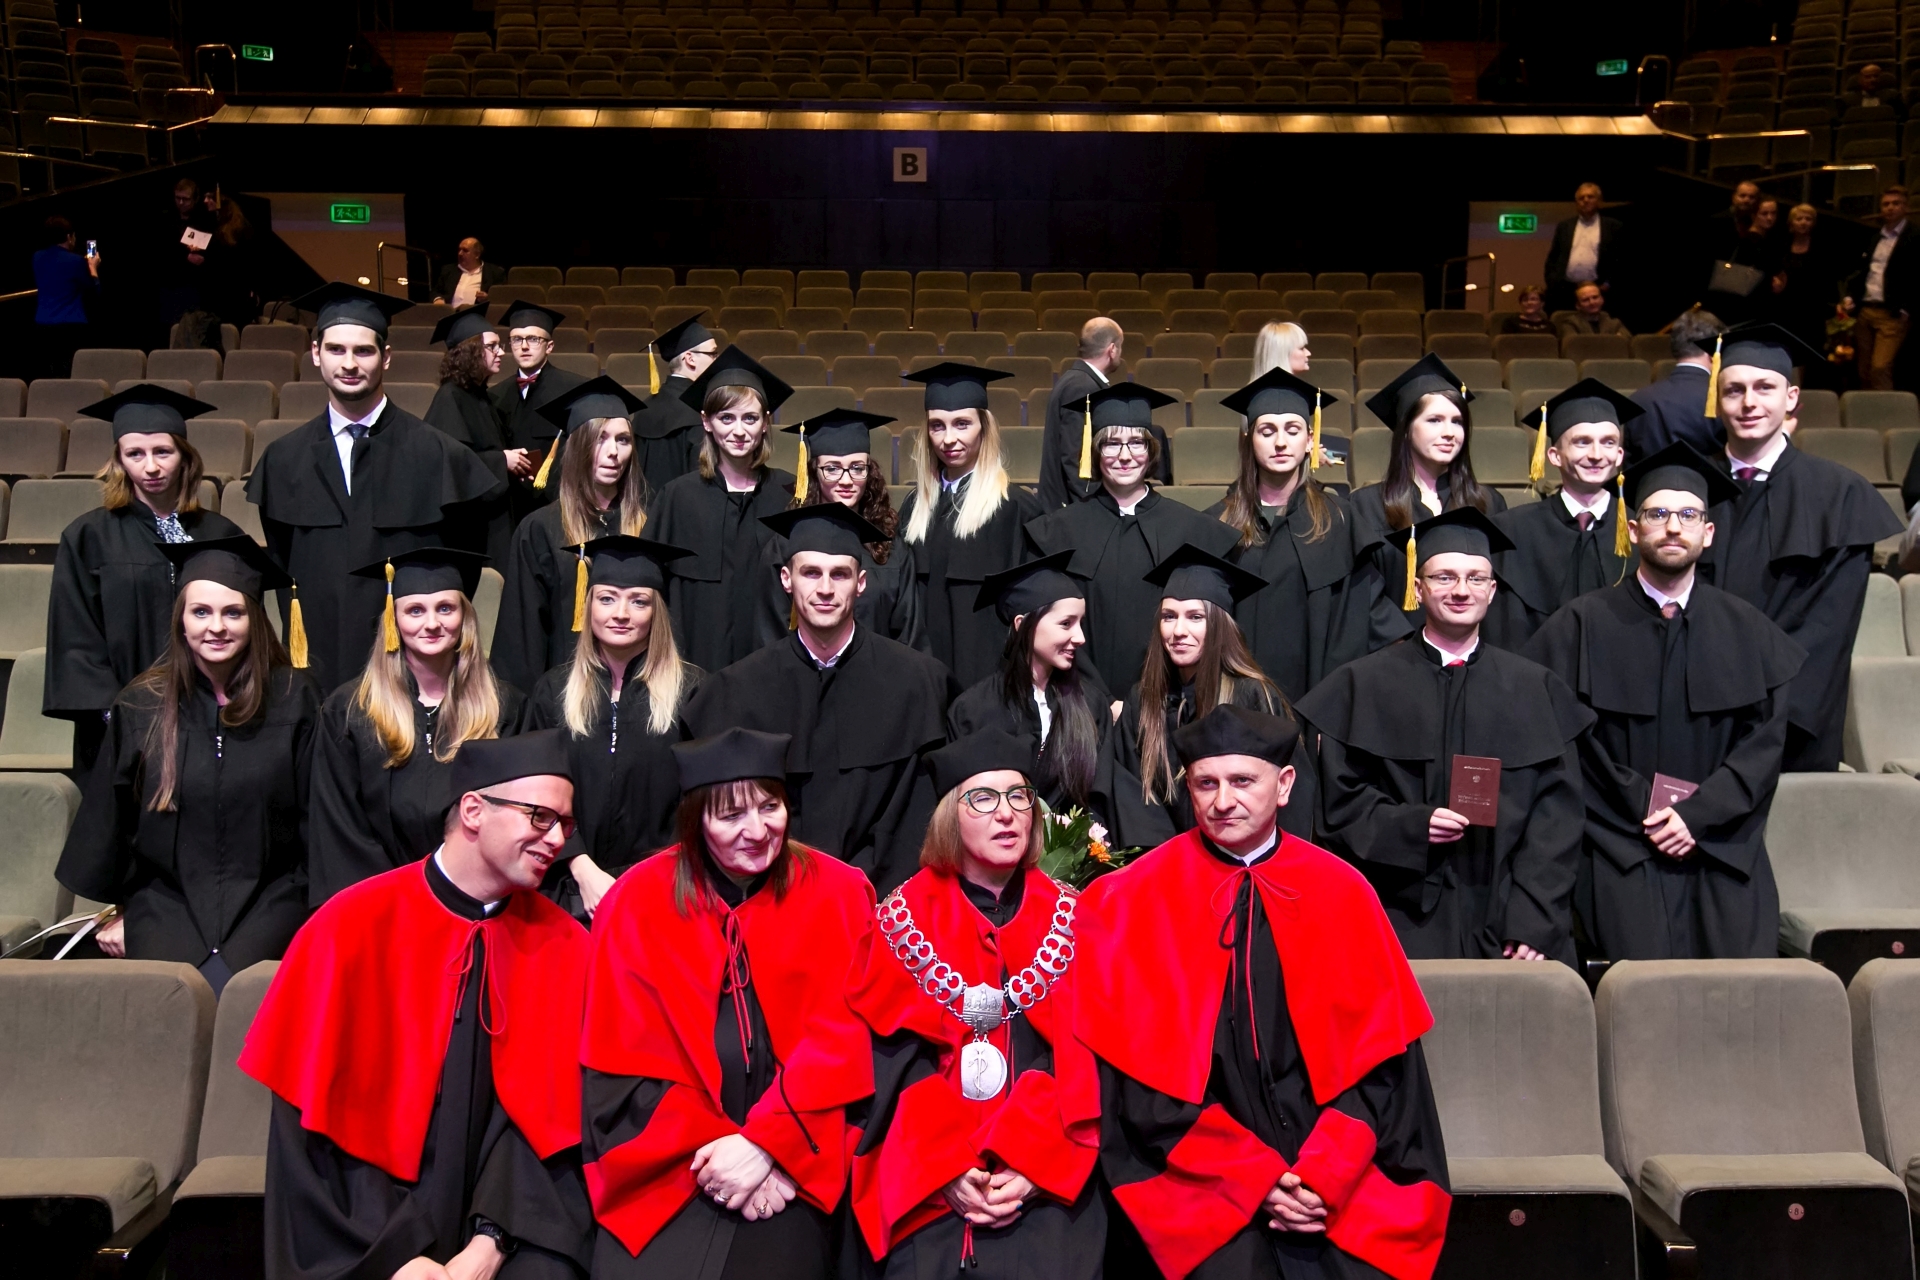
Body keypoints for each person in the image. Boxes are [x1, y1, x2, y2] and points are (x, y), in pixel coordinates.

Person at [1076, 703, 1451, 1280]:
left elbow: (1382, 1069)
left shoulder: (1342, 891)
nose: (1223, 801)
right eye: (1206, 783)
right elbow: (1142, 1088)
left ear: (1285, 784)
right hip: (1197, 1168)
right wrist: (1255, 1179)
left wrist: (1323, 1175)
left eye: (1242, 781)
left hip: (1332, 1161)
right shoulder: (1135, 899)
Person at [242, 731, 596, 1279]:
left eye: (565, 825)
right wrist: (399, 1258)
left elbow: (558, 1130)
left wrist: (490, 1244)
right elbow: (311, 1137)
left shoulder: (567, 947)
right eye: (540, 817)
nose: (557, 840)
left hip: (513, 1234)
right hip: (366, 1238)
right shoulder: (349, 928)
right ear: (473, 811)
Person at [580, 726, 875, 1280]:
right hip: (669, 1166)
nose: (757, 831)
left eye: (770, 807)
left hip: (802, 1159)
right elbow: (620, 1067)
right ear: (696, 821)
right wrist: (723, 1153)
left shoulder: (838, 893)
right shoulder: (636, 902)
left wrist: (768, 1147)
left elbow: (847, 1043)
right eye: (731, 814)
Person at [1527, 443, 1805, 961]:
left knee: (1741, 988)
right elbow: (1575, 747)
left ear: (1708, 532)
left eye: (1688, 515)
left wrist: (1698, 816)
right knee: (1638, 987)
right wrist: (1652, 811)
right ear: (1633, 530)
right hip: (1620, 846)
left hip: (1722, 846)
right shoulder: (1580, 625)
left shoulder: (1749, 630)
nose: (1673, 527)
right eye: (1657, 514)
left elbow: (1763, 747)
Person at [845, 730, 1104, 1279]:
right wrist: (944, 1164)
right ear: (949, 816)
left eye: (1018, 797)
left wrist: (1033, 1159)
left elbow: (1085, 1060)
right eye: (983, 798)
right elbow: (889, 1060)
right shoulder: (899, 923)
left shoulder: (1076, 922)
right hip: (927, 1181)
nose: (1005, 814)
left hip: (1048, 1173)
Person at [1297, 508, 1592, 964]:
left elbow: (1557, 820)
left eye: (1476, 579)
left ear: (1492, 591)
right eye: (1444, 577)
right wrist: (1411, 826)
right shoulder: (1362, 685)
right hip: (1396, 912)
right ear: (1417, 588)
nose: (1461, 590)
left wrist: (1535, 920)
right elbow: (1339, 805)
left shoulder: (1536, 688)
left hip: (1510, 922)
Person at [54, 537, 321, 992]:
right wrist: (122, 910)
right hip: (166, 903)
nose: (216, 627)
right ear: (180, 619)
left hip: (272, 901)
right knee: (169, 995)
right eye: (200, 612)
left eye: (233, 613)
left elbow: (315, 821)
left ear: (255, 620)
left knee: (242, 990)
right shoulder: (142, 705)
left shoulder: (296, 700)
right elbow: (115, 820)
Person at [683, 502, 954, 893]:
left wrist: (862, 891)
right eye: (810, 572)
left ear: (861, 583)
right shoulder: (735, 691)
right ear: (786, 579)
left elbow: (916, 816)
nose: (825, 589)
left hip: (883, 898)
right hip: (771, 895)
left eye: (839, 574)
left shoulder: (919, 684)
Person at [247, 282, 503, 694]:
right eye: (336, 349)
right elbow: (284, 559)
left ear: (386, 357)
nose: (349, 363)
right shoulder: (283, 460)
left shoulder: (439, 454)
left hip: (411, 666)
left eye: (363, 351)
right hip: (319, 661)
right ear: (316, 353)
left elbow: (461, 568)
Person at [1698, 323, 1904, 771]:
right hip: (1690, 717)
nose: (1749, 402)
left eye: (1765, 387)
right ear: (1717, 399)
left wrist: (1765, 715)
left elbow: (1828, 630)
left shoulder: (1839, 495)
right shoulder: (1686, 489)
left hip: (1791, 724)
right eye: (1734, 390)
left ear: (1791, 398)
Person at [307, 547, 523, 905]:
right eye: (415, 610)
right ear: (393, 620)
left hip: (473, 899)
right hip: (377, 901)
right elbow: (339, 824)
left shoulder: (505, 707)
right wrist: (395, 901)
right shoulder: (350, 710)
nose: (432, 623)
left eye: (446, 608)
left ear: (465, 616)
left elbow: (510, 819)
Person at [45, 385, 245, 770]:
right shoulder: (88, 537)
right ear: (119, 460)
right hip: (117, 726)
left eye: (163, 452)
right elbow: (76, 638)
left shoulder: (220, 534)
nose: (150, 467)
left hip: (210, 719)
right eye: (135, 453)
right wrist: (120, 718)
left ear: (184, 457)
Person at [522, 535, 702, 923]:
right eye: (606, 599)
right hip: (565, 888)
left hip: (662, 891)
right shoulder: (553, 691)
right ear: (587, 605)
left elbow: (701, 801)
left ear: (656, 612)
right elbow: (533, 793)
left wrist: (647, 879)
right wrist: (581, 867)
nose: (621, 613)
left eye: (638, 601)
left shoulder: (692, 692)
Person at [1211, 367, 1410, 702]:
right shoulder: (1218, 523)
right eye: (1267, 431)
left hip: (1318, 701)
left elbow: (1366, 611)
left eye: (1293, 430)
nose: (1280, 442)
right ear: (1249, 440)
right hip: (1236, 700)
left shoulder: (1340, 520)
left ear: (1310, 440)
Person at [1097, 542, 1313, 851]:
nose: (1178, 631)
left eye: (1195, 617)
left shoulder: (1253, 696)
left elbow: (1290, 798)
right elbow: (1128, 793)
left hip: (1238, 861)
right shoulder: (1144, 700)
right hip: (1163, 861)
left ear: (1219, 624)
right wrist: (1170, 858)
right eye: (1169, 616)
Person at [1025, 382, 1238, 694]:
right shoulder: (1058, 532)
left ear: (1151, 450)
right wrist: (1096, 697)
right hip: (1076, 695)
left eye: (1137, 443)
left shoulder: (1193, 530)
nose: (1125, 456)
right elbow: (1047, 626)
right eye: (1111, 443)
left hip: (1166, 696)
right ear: (1094, 451)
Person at [492, 376, 652, 691]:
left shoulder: (652, 522)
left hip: (640, 693)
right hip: (564, 694)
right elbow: (522, 640)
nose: (613, 452)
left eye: (623, 440)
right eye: (599, 439)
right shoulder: (541, 529)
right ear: (577, 446)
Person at [646, 347, 797, 672]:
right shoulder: (678, 498)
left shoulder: (789, 494)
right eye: (726, 418)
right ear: (706, 422)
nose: (739, 431)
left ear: (765, 423)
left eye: (750, 418)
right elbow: (652, 588)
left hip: (769, 665)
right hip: (693, 663)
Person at [898, 363, 1046, 688]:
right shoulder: (914, 509)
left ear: (984, 428)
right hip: (924, 678)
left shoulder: (1014, 508)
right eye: (937, 426)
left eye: (962, 424)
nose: (948, 439)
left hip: (991, 682)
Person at [947, 553, 1109, 815]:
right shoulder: (972, 711)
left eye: (1080, 623)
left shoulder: (1092, 705)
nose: (1080, 637)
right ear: (1022, 625)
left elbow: (1100, 799)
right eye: (1066, 624)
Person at [1351, 354, 1505, 625]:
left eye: (1457, 421)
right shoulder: (1366, 505)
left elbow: (1498, 592)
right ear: (1406, 429)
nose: (1449, 432)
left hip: (1469, 644)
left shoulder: (1489, 503)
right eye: (1434, 420)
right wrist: (1401, 641)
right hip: (1395, 645)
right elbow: (1363, 592)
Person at [1486, 379, 1638, 648]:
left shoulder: (1640, 531)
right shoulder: (1512, 531)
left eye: (1608, 442)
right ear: (1554, 455)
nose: (1596, 454)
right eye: (1582, 442)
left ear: (1619, 455)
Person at [768, 408, 921, 648]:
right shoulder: (785, 545)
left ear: (870, 472)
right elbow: (771, 636)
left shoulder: (892, 548)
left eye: (857, 468)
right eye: (832, 468)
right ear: (814, 473)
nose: (846, 480)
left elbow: (909, 636)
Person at [423, 303, 516, 564]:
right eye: (492, 346)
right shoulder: (450, 398)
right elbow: (451, 466)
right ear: (470, 351)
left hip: (492, 517)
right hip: (469, 527)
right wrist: (503, 460)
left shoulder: (481, 397)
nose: (501, 352)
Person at [489, 299, 588, 526]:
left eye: (533, 339)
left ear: (549, 346)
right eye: (517, 339)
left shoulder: (574, 389)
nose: (524, 346)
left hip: (558, 502)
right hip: (510, 505)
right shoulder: (495, 395)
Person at [1041, 316, 1126, 507]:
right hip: (1073, 506)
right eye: (1120, 347)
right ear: (1112, 349)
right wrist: (1093, 504)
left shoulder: (1076, 380)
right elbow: (1075, 455)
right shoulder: (1082, 387)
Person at [630, 313, 721, 491]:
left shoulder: (643, 408)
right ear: (690, 359)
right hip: (685, 506)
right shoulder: (700, 409)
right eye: (713, 354)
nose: (717, 360)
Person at [1627, 307, 1726, 464]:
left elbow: (1629, 464)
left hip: (1650, 479)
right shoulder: (1724, 398)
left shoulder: (1637, 400)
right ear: (1715, 351)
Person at [1846, 186, 1919, 392]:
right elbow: (1865, 271)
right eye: (1886, 204)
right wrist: (1852, 296)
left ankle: (1887, 410)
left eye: (1896, 203)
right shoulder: (1875, 236)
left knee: (1880, 368)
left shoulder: (1915, 236)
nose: (1890, 208)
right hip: (1866, 309)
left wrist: (1907, 308)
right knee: (1863, 370)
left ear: (1905, 207)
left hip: (1892, 313)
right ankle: (1866, 409)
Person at [1772, 204, 1847, 372]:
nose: (1803, 222)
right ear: (1791, 222)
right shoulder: (1781, 245)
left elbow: (1830, 279)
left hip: (1812, 310)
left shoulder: (1822, 248)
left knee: (1810, 356)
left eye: (1808, 219)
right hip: (1785, 308)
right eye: (1799, 219)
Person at [32, 215, 99, 380]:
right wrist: (93, 267)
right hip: (70, 326)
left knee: (50, 374)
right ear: (69, 237)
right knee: (69, 374)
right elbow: (94, 290)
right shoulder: (76, 261)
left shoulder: (37, 257)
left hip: (43, 323)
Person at [1544, 181, 1624, 314]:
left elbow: (1620, 259)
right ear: (1576, 203)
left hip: (1598, 290)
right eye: (1581, 198)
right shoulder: (1565, 226)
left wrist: (1608, 283)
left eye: (1590, 197)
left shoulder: (1613, 226)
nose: (1585, 200)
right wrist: (1553, 281)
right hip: (1565, 290)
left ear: (1599, 201)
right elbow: (1553, 258)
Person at [159, 177, 216, 328]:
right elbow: (162, 252)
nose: (181, 202)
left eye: (185, 199)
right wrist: (185, 257)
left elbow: (214, 248)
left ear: (195, 199)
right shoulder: (167, 220)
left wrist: (203, 258)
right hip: (172, 285)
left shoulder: (204, 220)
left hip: (196, 286)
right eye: (177, 198)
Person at [431, 235, 505, 307]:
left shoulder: (494, 272)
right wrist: (438, 299)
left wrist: (488, 298)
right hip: (450, 313)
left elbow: (502, 297)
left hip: (477, 313)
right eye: (459, 250)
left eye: (465, 250)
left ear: (477, 255)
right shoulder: (448, 270)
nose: (460, 253)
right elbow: (435, 291)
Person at [1557, 282, 1630, 339]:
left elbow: (1627, 342)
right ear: (1578, 306)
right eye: (1585, 300)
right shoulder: (1570, 324)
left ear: (1602, 300)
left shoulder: (1615, 324)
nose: (1592, 302)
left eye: (1595, 297)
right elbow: (1573, 346)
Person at [1491, 285, 1555, 336]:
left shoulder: (1549, 326)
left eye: (1533, 299)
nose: (1529, 303)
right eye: (1525, 300)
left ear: (1542, 303)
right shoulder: (1511, 323)